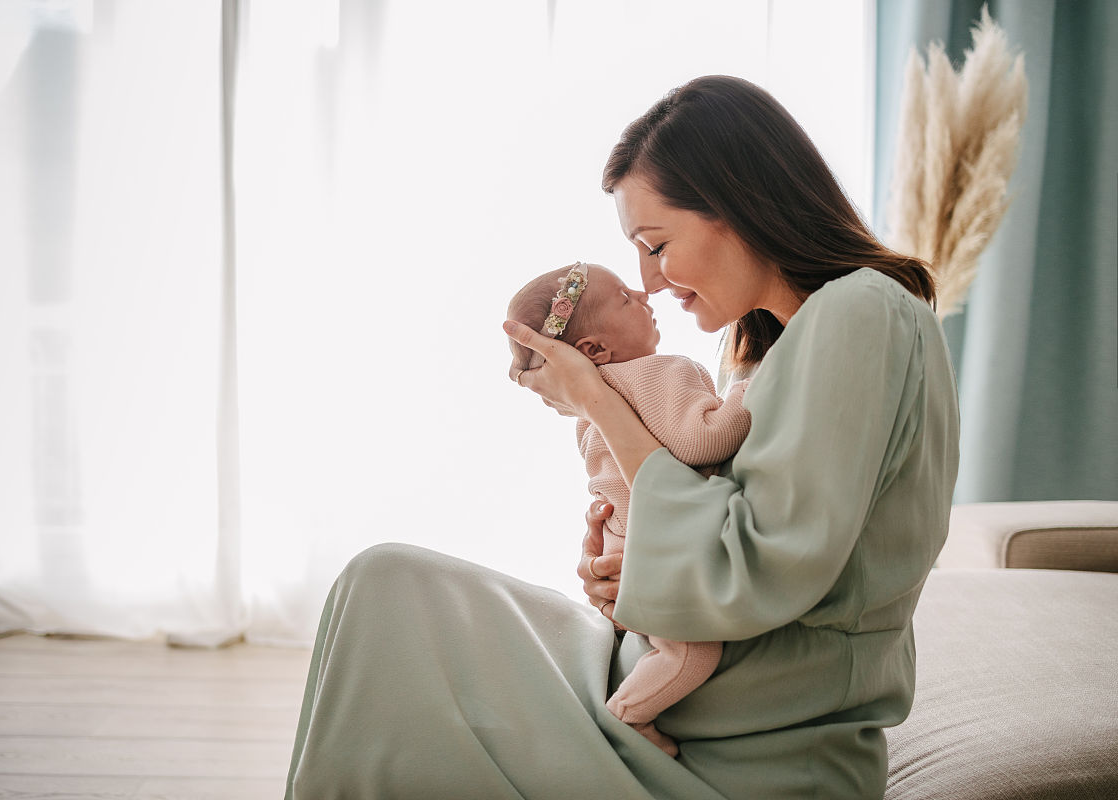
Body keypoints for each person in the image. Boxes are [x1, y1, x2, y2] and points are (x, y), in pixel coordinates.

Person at [285, 75, 959, 800]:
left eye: (656, 244)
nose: (650, 281)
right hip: (675, 693)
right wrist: (635, 570)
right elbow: (719, 532)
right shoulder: (780, 350)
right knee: (383, 585)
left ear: (738, 206)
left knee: (387, 598)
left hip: (744, 748)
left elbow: (756, 566)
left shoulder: (860, 314)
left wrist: (597, 401)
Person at [508, 261, 751, 757]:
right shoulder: (662, 372)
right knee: (689, 656)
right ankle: (627, 716)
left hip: (624, 556)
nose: (643, 292)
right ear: (594, 350)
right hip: (661, 556)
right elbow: (703, 440)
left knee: (659, 648)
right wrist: (750, 391)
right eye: (624, 297)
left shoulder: (587, 413)